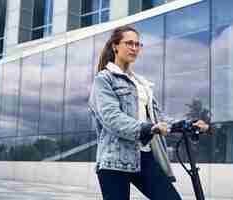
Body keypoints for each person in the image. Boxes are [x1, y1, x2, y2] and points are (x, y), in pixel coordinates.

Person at [88, 25, 209, 200]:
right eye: (129, 43)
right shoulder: (104, 79)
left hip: (143, 156)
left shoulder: (141, 83)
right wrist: (149, 129)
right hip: (114, 161)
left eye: (138, 44)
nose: (134, 48)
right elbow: (112, 118)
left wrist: (187, 124)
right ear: (115, 46)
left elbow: (157, 117)